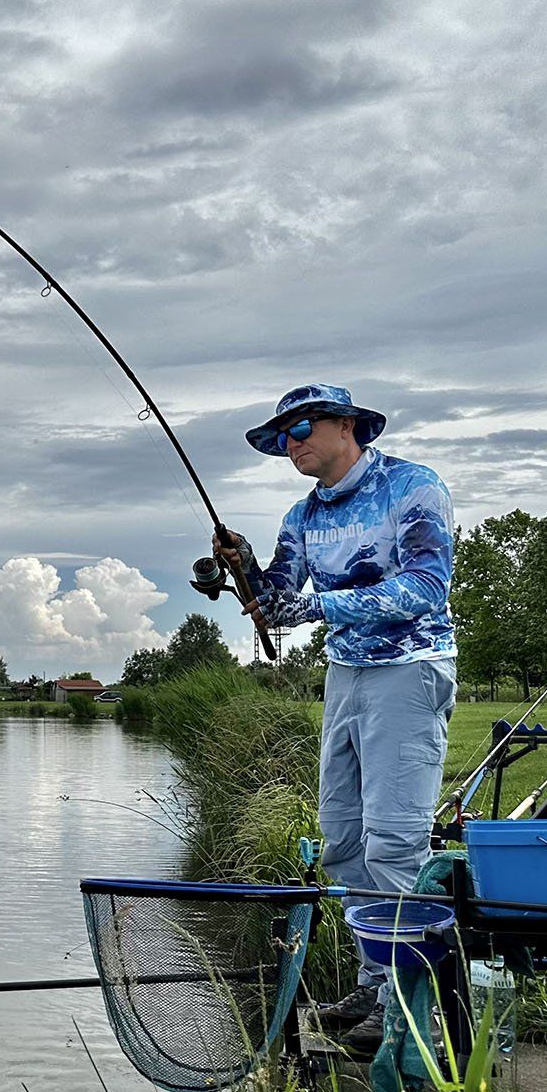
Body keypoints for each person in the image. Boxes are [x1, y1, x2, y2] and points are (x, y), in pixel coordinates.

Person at [220, 384, 457, 1054]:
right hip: (346, 675)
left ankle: (414, 1006)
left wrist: (319, 609)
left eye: (301, 428)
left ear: (347, 426)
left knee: (395, 838)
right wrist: (243, 567)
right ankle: (375, 978)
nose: (292, 443)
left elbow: (424, 587)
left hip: (411, 670)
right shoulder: (301, 515)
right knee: (345, 839)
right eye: (283, 436)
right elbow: (278, 600)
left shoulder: (413, 486)